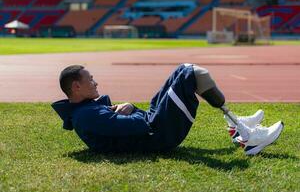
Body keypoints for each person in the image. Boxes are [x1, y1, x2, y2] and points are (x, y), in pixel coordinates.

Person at [52, 64, 283, 155]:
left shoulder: (86, 110)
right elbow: (138, 125)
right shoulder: (86, 116)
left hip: (152, 127)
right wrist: (132, 110)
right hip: (158, 135)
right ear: (77, 86)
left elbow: (128, 122)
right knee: (192, 74)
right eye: (90, 80)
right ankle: (249, 138)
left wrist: (130, 107)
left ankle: (236, 127)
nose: (95, 83)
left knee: (181, 70)